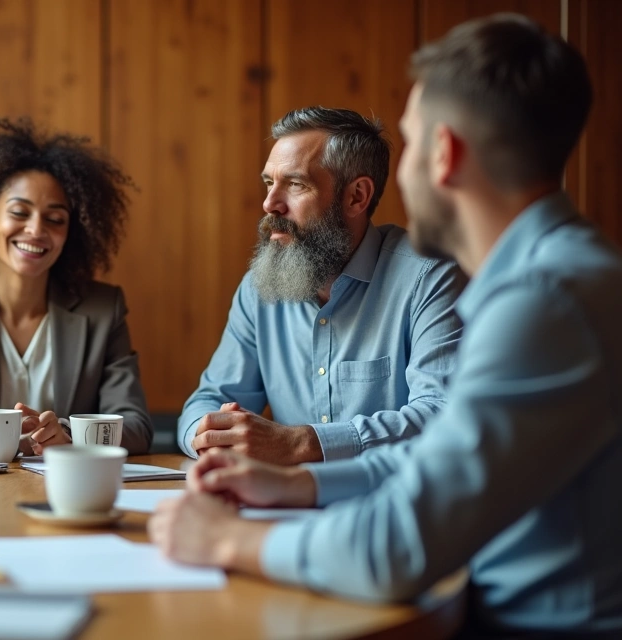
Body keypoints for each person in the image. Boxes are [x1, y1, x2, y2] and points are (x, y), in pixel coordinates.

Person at [150, 14, 622, 635]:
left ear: (444, 154)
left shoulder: (544, 301)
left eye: (411, 140)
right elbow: (440, 457)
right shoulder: (557, 274)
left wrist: (227, 541)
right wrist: (297, 490)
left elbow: (397, 548)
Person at [176, 107, 464, 465]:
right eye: (269, 182)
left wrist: (303, 444)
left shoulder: (429, 277)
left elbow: (443, 414)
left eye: (295, 184)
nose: (270, 204)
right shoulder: (258, 288)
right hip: (283, 506)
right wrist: (209, 436)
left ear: (357, 196)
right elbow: (208, 400)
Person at [0, 118, 153, 456]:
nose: (36, 230)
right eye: (19, 212)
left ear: (70, 235)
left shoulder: (102, 309)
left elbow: (135, 426)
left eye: (55, 219)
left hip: (65, 490)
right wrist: (5, 434)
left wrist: (66, 433)